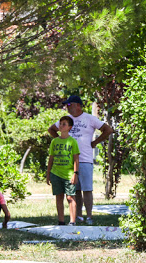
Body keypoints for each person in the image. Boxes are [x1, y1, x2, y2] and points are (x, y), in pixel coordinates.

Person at [48, 95, 112, 224]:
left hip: (85, 158)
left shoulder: (89, 118)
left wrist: (95, 143)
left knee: (87, 189)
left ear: (77, 105)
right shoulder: (66, 120)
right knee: (75, 190)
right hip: (68, 162)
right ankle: (78, 215)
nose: (67, 107)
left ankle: (89, 216)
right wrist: (60, 141)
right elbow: (51, 129)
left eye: (69, 105)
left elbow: (108, 130)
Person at [46, 115, 80, 226]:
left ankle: (72, 221)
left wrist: (75, 173)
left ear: (70, 127)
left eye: (64, 124)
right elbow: (51, 158)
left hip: (69, 174)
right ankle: (61, 221)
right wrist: (48, 174)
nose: (61, 126)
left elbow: (76, 159)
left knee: (70, 197)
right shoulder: (54, 141)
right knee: (59, 196)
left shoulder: (72, 142)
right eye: (60, 124)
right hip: (56, 173)